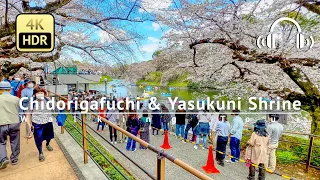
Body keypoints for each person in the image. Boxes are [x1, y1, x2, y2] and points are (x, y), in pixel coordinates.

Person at [26, 89, 54, 162]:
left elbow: (54, 107)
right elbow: (28, 113)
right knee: (38, 138)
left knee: (49, 136)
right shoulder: (32, 102)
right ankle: (40, 152)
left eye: (41, 93)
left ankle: (47, 144)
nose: (40, 94)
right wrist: (29, 123)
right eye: (38, 93)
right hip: (37, 122)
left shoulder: (47, 99)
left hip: (48, 121)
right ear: (35, 94)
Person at [0, 81, 21, 169]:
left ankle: (3, 158)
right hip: (14, 122)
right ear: (10, 89)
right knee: (15, 140)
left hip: (2, 123)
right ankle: (14, 158)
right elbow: (20, 111)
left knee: (1, 142)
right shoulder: (16, 99)